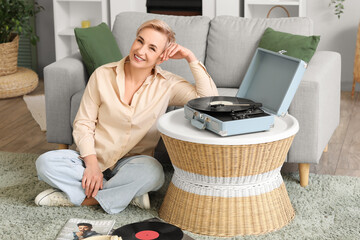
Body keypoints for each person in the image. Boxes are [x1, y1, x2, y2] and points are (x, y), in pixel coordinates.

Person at [34, 19, 218, 214]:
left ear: (161, 58)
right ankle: (126, 194)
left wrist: (190, 57)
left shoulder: (167, 84)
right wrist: (92, 165)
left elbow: (209, 101)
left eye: (152, 48)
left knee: (154, 174)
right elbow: (83, 123)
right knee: (45, 163)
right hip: (93, 157)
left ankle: (80, 198)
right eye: (140, 41)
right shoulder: (102, 75)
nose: (141, 51)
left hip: (132, 163)